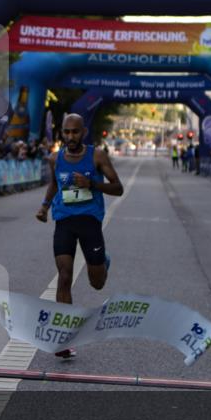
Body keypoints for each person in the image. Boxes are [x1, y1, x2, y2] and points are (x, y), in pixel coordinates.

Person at [36, 113, 124, 359]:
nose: (70, 137)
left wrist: (92, 184)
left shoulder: (97, 156)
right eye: (66, 132)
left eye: (75, 132)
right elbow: (55, 185)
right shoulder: (55, 159)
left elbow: (118, 188)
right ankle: (63, 337)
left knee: (97, 282)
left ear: (83, 132)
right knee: (64, 275)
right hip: (64, 220)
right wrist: (44, 206)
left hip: (90, 221)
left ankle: (102, 261)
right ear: (61, 133)